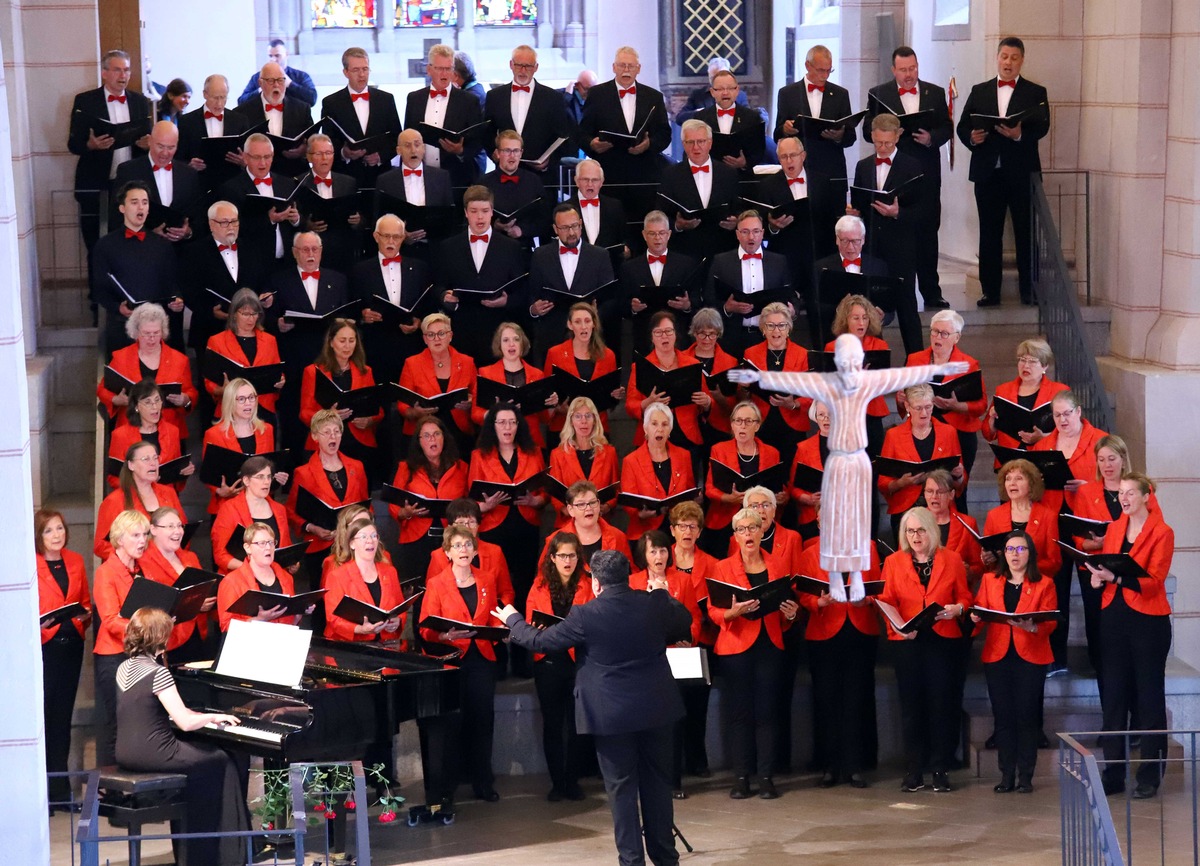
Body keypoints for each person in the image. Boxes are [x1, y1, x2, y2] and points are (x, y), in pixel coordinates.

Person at [728, 333, 968, 602]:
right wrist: (756, 378)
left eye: (856, 359)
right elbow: (791, 379)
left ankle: (855, 578)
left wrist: (941, 369)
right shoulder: (828, 384)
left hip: (860, 460)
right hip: (838, 458)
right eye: (846, 359)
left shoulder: (867, 382)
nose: (851, 364)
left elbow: (904, 376)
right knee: (832, 519)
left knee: (859, 520)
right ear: (839, 362)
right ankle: (834, 578)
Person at [495, 550, 692, 866]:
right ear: (628, 575)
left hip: (611, 715)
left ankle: (631, 861)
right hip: (656, 709)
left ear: (596, 582)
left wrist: (513, 620)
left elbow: (542, 642)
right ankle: (666, 859)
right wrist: (664, 594)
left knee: (622, 790)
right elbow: (684, 621)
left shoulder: (586, 614)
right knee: (658, 784)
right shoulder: (652, 603)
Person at [116, 607, 250, 866]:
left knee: (201, 756)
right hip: (155, 752)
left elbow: (155, 710)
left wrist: (196, 714)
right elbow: (186, 723)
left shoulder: (124, 667)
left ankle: (191, 850)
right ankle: (217, 855)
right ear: (160, 637)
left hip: (126, 751)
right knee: (222, 760)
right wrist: (212, 717)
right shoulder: (158, 672)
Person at [1089, 473, 1174, 799]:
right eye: (1120, 493)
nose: (1123, 498)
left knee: (1149, 698)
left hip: (1148, 622)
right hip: (1114, 618)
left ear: (1145, 496)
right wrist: (1100, 579)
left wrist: (1116, 578)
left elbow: (1154, 581)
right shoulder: (1113, 529)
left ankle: (1150, 774)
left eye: (1129, 493)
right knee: (1113, 699)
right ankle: (1113, 774)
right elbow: (1109, 567)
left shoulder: (1162, 532)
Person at [708, 507, 800, 799]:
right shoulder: (722, 567)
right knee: (739, 714)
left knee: (767, 713)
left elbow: (787, 609)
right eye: (741, 530)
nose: (747, 534)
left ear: (762, 532)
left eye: (752, 528)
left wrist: (792, 614)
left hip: (769, 645)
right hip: (736, 646)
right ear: (734, 536)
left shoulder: (778, 564)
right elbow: (712, 609)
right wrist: (731, 613)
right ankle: (740, 777)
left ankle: (766, 777)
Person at [879, 506, 972, 793]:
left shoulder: (952, 559)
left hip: (943, 641)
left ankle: (940, 768)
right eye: (910, 531)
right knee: (911, 708)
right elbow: (886, 600)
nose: (915, 536)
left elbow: (965, 597)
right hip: (909, 643)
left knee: (942, 705)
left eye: (920, 530)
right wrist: (897, 627)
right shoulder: (894, 562)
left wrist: (958, 609)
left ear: (931, 530)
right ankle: (914, 769)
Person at [955, 37, 1050, 307]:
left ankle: (1029, 291)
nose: (1008, 62)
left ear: (1022, 60)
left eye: (1014, 58)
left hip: (1021, 173)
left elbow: (1043, 126)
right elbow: (963, 126)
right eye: (1004, 56)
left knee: (1025, 232)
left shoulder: (1035, 92)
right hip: (988, 173)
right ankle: (990, 292)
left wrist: (1020, 133)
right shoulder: (980, 90)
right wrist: (972, 138)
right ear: (997, 58)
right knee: (989, 232)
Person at [796, 509, 882, 788]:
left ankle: (855, 765)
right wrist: (815, 603)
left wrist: (866, 600)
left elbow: (879, 587)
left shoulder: (867, 547)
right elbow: (802, 592)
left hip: (859, 629)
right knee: (826, 700)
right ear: (819, 523)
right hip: (823, 631)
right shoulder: (810, 552)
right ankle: (830, 765)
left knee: (857, 699)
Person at [421, 525, 505, 803]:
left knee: (483, 721)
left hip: (482, 658)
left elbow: (492, 617)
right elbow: (425, 629)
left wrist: (500, 630)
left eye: (468, 545)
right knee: (452, 725)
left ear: (475, 549)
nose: (463, 551)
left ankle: (483, 782)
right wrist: (445, 635)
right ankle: (447, 788)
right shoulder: (436, 583)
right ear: (447, 552)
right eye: (457, 546)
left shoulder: (486, 578)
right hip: (452, 660)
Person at [865, 46, 952, 310]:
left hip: (926, 173)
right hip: (893, 173)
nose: (909, 75)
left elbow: (947, 127)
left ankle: (931, 292)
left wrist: (931, 138)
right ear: (893, 70)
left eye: (912, 68)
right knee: (893, 234)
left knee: (927, 233)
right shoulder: (879, 94)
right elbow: (868, 132)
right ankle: (891, 293)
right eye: (903, 70)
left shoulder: (934, 93)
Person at [971, 530, 1057, 794]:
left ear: (1030, 553)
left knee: (1027, 716)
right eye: (1010, 550)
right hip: (998, 655)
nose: (1015, 554)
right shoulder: (990, 580)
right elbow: (981, 610)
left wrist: (1033, 628)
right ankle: (1006, 775)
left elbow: (1051, 621)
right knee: (1003, 717)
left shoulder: (1044, 583)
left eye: (1020, 549)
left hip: (1031, 656)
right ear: (1003, 554)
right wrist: (975, 619)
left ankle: (1026, 776)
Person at [1031, 389, 1108, 674]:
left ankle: (1099, 659)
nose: (1062, 420)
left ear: (1078, 412)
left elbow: (1112, 480)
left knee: (1093, 590)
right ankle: (1056, 657)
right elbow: (1036, 487)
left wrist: (1086, 486)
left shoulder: (1099, 439)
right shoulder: (1045, 444)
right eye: (1056, 415)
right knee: (1055, 589)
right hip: (1054, 520)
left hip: (1088, 522)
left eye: (1066, 413)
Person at [628, 530, 704, 797]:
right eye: (653, 551)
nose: (659, 556)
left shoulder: (681, 580)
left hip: (676, 659)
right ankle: (645, 779)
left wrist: (689, 637)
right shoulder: (633, 582)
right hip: (644, 662)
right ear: (643, 556)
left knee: (673, 722)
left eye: (662, 551)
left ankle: (673, 781)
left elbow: (694, 617)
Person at [68, 49, 151, 276]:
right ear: (104, 73)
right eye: (117, 70)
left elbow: (147, 139)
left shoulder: (141, 102)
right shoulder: (85, 101)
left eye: (126, 70)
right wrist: (91, 145)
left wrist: (146, 145)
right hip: (95, 183)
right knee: (96, 245)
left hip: (130, 184)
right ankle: (97, 300)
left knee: (131, 243)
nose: (123, 75)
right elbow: (73, 144)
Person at [526, 531, 594, 801]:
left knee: (577, 724)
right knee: (553, 724)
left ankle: (572, 780)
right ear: (552, 558)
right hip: (549, 662)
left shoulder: (587, 585)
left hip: (579, 662)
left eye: (573, 555)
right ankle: (557, 782)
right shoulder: (539, 586)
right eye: (563, 555)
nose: (568, 560)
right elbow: (530, 623)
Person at [848, 113, 924, 354]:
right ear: (872, 136)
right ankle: (872, 360)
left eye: (888, 144)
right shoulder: (863, 165)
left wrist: (897, 213)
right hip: (872, 247)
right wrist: (854, 211)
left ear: (898, 137)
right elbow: (862, 202)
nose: (882, 148)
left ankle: (916, 362)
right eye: (878, 143)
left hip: (901, 245)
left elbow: (924, 210)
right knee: (871, 305)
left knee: (906, 305)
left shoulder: (912, 165)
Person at [898, 309, 985, 511]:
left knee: (954, 487)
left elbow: (981, 405)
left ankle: (957, 530)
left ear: (956, 337)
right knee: (924, 487)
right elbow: (903, 395)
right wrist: (902, 400)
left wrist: (957, 406)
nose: (937, 337)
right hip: (922, 429)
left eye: (944, 333)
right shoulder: (914, 359)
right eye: (934, 332)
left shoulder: (968, 364)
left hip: (959, 431)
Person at [756, 136, 839, 344]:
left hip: (819, 257)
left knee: (821, 314)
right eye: (783, 157)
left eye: (792, 155)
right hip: (785, 260)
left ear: (803, 156)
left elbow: (832, 220)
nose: (789, 161)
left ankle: (823, 362)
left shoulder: (822, 181)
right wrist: (773, 227)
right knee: (782, 314)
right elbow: (761, 228)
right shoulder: (767, 186)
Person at [469, 403, 546, 624]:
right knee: (494, 584)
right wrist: (487, 505)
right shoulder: (479, 456)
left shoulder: (533, 452)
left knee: (523, 584)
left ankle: (523, 636)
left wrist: (535, 500)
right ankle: (497, 635)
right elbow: (471, 499)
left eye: (512, 422)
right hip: (494, 527)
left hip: (526, 525)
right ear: (492, 426)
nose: (508, 427)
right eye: (502, 422)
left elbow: (545, 493)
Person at [435, 185, 527, 366]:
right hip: (460, 332)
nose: (480, 217)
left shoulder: (511, 247)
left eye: (485, 211)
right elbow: (437, 285)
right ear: (465, 212)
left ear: (492, 212)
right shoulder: (448, 247)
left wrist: (506, 302)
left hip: (497, 334)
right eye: (474, 211)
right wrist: (444, 296)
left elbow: (522, 292)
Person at [36, 508, 91, 810]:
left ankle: (60, 791)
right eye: (49, 531)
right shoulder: (31, 564)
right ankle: (41, 791)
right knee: (43, 720)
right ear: (38, 536)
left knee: (62, 721)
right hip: (45, 649)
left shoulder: (75, 560)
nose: (57, 535)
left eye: (59, 529)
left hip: (72, 647)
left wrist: (84, 617)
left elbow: (84, 602)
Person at [577, 46, 672, 215]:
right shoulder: (597, 94)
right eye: (622, 65)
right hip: (610, 176)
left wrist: (649, 144)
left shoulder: (654, 97)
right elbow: (582, 133)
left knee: (642, 229)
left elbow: (665, 134)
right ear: (614, 67)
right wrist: (592, 144)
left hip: (644, 177)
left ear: (638, 69)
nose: (626, 70)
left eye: (630, 66)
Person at [1070, 434, 1136, 675]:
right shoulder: (1087, 493)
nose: (1107, 465)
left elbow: (1152, 528)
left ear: (1123, 459)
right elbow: (1078, 540)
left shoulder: (1140, 489)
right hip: (1096, 567)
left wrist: (1116, 538)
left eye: (1112, 459)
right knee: (1097, 621)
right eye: (1101, 460)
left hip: (1128, 566)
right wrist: (1097, 543)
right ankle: (1100, 665)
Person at [91, 183, 184, 351]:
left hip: (156, 328)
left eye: (144, 202)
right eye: (134, 202)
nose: (140, 207)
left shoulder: (162, 245)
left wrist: (176, 299)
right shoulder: (105, 245)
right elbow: (99, 288)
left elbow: (173, 283)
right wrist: (117, 307)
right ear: (122, 208)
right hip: (123, 327)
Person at [93, 509, 151, 766]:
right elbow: (110, 620)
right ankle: (111, 790)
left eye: (145, 535)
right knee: (115, 723)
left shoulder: (140, 571)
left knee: (136, 722)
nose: (142, 541)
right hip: (114, 657)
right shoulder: (106, 572)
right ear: (119, 538)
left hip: (137, 656)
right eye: (135, 535)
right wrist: (148, 630)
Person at [298, 317, 384, 484]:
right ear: (331, 342)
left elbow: (378, 410)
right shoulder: (313, 371)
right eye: (342, 340)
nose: (347, 346)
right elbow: (304, 413)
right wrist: (329, 416)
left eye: (352, 340)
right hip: (325, 441)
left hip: (359, 439)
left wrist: (370, 420)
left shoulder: (365, 371)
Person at [667, 502, 719, 778]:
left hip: (701, 643)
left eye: (693, 526)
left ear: (699, 531)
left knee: (698, 705)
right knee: (672, 705)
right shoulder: (663, 560)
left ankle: (697, 760)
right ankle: (673, 763)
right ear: (672, 530)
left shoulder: (711, 563)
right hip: (669, 647)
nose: (687, 531)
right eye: (682, 526)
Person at [286, 410, 369, 580]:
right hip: (320, 547)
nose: (333, 436)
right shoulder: (304, 473)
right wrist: (312, 528)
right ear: (315, 436)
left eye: (337, 431)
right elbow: (291, 512)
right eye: (327, 432)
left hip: (354, 545)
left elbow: (367, 506)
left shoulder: (357, 467)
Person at [353, 214, 435, 384]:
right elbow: (351, 306)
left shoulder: (420, 268)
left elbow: (429, 306)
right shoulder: (360, 270)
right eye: (386, 236)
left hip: (410, 348)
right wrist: (363, 315)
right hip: (376, 349)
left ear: (403, 238)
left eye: (396, 237)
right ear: (376, 237)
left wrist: (419, 322)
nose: (391, 241)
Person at [97, 302, 196, 442]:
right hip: (131, 431)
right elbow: (102, 389)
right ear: (136, 333)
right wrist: (116, 400)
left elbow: (190, 394)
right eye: (146, 334)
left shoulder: (180, 360)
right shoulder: (121, 357)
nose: (152, 338)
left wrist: (185, 400)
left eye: (156, 333)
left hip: (168, 433)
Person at [182, 203, 272, 356]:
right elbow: (189, 290)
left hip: (249, 331)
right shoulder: (194, 252)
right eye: (224, 222)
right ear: (211, 224)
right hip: (210, 330)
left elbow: (263, 281)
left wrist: (265, 295)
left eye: (234, 221)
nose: (231, 226)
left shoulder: (252, 249)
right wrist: (210, 311)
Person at [877, 383, 965, 538]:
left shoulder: (948, 432)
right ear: (907, 406)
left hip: (941, 507)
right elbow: (883, 483)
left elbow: (960, 484)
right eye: (918, 408)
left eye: (928, 407)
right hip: (907, 507)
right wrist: (902, 483)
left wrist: (959, 475)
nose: (924, 413)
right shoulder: (894, 435)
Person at [528, 203, 616, 356]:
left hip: (588, 337)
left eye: (575, 226)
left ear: (581, 224)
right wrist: (534, 310)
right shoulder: (540, 255)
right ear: (555, 229)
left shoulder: (600, 255)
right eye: (564, 228)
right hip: (551, 336)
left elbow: (610, 298)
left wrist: (595, 314)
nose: (571, 232)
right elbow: (531, 293)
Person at [387, 416, 468, 580]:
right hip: (417, 538)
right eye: (427, 435)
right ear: (419, 442)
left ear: (444, 438)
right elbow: (393, 505)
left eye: (437, 434)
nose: (432, 439)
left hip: (453, 537)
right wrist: (406, 512)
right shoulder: (406, 468)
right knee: (421, 587)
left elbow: (469, 501)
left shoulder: (460, 467)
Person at [704, 210, 794, 356]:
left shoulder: (779, 262)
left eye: (756, 231)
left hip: (769, 338)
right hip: (731, 338)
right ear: (737, 234)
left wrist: (791, 311)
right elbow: (708, 300)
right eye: (745, 232)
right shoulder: (721, 261)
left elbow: (791, 296)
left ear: (763, 233)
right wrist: (727, 308)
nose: (751, 237)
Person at [485, 45, 577, 181]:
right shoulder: (495, 96)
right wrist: (494, 153)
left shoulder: (553, 98)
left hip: (541, 178)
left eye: (528, 66)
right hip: (504, 175)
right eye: (518, 65)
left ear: (536, 67)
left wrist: (549, 162)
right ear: (511, 65)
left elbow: (563, 136)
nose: (522, 71)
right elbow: (486, 132)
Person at [625, 310, 711, 451]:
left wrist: (706, 402)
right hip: (652, 434)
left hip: (686, 433)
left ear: (675, 335)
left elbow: (706, 403)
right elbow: (630, 406)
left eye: (668, 331)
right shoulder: (640, 367)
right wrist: (648, 403)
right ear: (652, 338)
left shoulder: (692, 364)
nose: (664, 336)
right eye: (658, 332)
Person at [739, 302, 811, 468]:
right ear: (763, 329)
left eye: (781, 326)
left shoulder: (803, 354)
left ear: (789, 328)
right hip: (761, 424)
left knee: (792, 476)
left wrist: (794, 404)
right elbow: (743, 396)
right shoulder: (751, 353)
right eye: (770, 326)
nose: (776, 331)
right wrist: (744, 387)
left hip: (792, 425)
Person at [703, 401, 781, 554]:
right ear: (732, 425)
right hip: (725, 518)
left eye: (748, 421)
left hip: (759, 520)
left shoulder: (772, 453)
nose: (742, 425)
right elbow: (709, 489)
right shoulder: (719, 450)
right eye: (738, 421)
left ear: (757, 426)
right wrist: (728, 497)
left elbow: (776, 485)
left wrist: (780, 495)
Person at [404, 44, 485, 189]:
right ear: (429, 69)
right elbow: (406, 136)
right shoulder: (414, 99)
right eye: (439, 68)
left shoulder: (469, 101)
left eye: (448, 69)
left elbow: (478, 143)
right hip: (421, 178)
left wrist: (460, 151)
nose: (444, 74)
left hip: (456, 179)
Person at [656, 119, 739, 260]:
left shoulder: (728, 173)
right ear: (683, 144)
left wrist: (736, 222)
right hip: (685, 252)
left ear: (710, 143)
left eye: (701, 141)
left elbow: (739, 208)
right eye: (690, 142)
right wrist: (677, 225)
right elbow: (661, 214)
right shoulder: (669, 174)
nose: (696, 147)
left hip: (722, 250)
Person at [773, 45, 856, 184]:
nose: (825, 75)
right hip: (801, 171)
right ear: (807, 65)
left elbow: (851, 137)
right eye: (821, 70)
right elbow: (777, 135)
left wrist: (839, 136)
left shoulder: (840, 94)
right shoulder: (787, 94)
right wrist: (785, 130)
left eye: (829, 70)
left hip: (832, 171)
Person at [216, 132, 301, 266]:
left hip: (287, 264)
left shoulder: (287, 184)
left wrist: (295, 219)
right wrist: (269, 220)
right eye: (256, 157)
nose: (263, 163)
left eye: (267, 157)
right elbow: (232, 230)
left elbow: (299, 226)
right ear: (245, 157)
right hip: (253, 264)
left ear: (273, 157)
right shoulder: (231, 189)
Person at [622, 210, 700, 356]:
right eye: (652, 234)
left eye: (662, 233)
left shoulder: (687, 264)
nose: (657, 238)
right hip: (644, 340)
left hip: (678, 339)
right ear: (644, 235)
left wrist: (687, 305)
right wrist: (632, 307)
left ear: (669, 234)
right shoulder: (629, 268)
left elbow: (697, 299)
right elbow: (621, 303)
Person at [321, 47, 401, 188]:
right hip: (346, 178)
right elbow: (328, 140)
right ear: (345, 72)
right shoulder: (331, 103)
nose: (362, 75)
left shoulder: (386, 99)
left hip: (381, 177)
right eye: (356, 70)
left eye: (365, 69)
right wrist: (344, 153)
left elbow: (396, 137)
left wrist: (380, 156)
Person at [203, 288, 285, 423]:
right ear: (234, 314)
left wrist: (280, 380)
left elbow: (276, 370)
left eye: (255, 314)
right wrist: (222, 390)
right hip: (232, 409)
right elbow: (209, 382)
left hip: (263, 408)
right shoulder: (216, 341)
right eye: (246, 314)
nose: (251, 319)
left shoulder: (270, 340)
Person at [395, 312, 477, 448]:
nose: (436, 339)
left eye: (441, 333)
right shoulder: (412, 363)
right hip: (423, 431)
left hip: (458, 430)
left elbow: (478, 396)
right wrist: (416, 412)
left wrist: (470, 403)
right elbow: (402, 406)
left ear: (450, 336)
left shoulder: (467, 362)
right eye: (431, 335)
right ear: (425, 339)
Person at [112, 120, 202, 244]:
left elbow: (198, 215)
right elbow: (116, 217)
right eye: (160, 146)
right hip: (141, 252)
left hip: (180, 255)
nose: (165, 153)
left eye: (171, 147)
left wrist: (188, 231)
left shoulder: (189, 174)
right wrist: (147, 234)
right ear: (149, 141)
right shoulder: (128, 171)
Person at [200, 378, 281, 514]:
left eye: (251, 397)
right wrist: (220, 490)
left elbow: (270, 466)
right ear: (230, 402)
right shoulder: (214, 434)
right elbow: (209, 474)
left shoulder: (266, 430)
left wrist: (276, 478)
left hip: (260, 505)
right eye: (241, 399)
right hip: (229, 506)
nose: (248, 403)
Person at [543, 302, 624, 436]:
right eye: (578, 322)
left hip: (596, 428)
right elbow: (547, 394)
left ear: (594, 324)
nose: (583, 326)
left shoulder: (608, 355)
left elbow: (611, 399)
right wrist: (558, 408)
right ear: (570, 325)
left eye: (587, 321)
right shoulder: (555, 353)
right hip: (564, 427)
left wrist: (616, 395)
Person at [95, 441, 186, 560]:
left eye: (155, 458)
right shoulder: (115, 501)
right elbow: (100, 546)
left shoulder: (169, 493)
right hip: (134, 568)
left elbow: (183, 529)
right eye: (145, 459)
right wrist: (134, 556)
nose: (153, 463)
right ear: (131, 465)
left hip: (168, 564)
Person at [217, 522, 315, 631]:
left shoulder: (286, 577)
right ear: (248, 548)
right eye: (262, 543)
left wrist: (298, 612)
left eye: (271, 542)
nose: (268, 547)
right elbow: (226, 625)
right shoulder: (231, 581)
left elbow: (291, 623)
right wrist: (259, 620)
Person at [474, 322, 557, 450]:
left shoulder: (537, 374)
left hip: (531, 443)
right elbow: (475, 413)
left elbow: (544, 418)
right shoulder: (485, 373)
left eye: (516, 339)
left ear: (522, 343)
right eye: (506, 340)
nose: (511, 344)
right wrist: (494, 412)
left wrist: (552, 404)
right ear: (499, 345)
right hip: (498, 443)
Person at [324, 512, 406, 642]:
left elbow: (401, 608)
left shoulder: (390, 572)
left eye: (374, 536)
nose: (370, 540)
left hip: (385, 645)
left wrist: (398, 621)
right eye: (363, 537)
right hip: (350, 648)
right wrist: (359, 629)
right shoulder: (337, 576)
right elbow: (332, 618)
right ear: (352, 544)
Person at [827, 294, 891, 457]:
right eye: (856, 318)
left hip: (872, 412)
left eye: (865, 317)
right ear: (845, 320)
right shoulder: (832, 348)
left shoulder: (879, 346)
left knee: (874, 462)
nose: (861, 323)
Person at [620, 403, 696, 541]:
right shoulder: (631, 461)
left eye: (665, 424)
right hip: (645, 531)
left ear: (670, 429)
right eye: (654, 424)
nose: (660, 429)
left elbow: (689, 490)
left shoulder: (683, 455)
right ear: (645, 428)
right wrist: (640, 514)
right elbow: (628, 503)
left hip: (679, 529)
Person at [811, 214, 889, 347]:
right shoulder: (820, 267)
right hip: (834, 340)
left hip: (871, 342)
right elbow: (814, 306)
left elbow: (889, 306)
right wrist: (840, 310)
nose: (850, 247)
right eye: (845, 241)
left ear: (863, 239)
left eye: (855, 241)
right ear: (837, 239)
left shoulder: (878, 266)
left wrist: (881, 317)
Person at [981, 337, 1069, 453]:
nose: (1026, 366)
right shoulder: (1003, 391)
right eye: (1022, 360)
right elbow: (988, 434)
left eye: (1032, 361)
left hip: (1044, 455)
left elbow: (1070, 429)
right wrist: (992, 420)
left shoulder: (1059, 391)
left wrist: (1044, 437)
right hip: (1010, 458)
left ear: (1044, 366)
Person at [211, 455, 293, 574]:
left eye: (269, 477)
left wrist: (292, 563)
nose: (266, 482)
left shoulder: (279, 509)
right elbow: (220, 555)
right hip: (241, 580)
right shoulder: (229, 509)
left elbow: (286, 546)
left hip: (274, 577)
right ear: (246, 480)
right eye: (260, 477)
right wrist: (254, 570)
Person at [232, 61, 315, 177]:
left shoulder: (302, 109)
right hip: (255, 178)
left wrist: (303, 151)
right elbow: (238, 147)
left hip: (294, 176)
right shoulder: (242, 112)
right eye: (271, 81)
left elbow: (312, 139)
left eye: (280, 80)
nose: (276, 85)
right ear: (261, 83)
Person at [983, 459, 1062, 581]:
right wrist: (987, 558)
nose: (1012, 483)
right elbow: (989, 562)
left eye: (1019, 478)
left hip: (1035, 584)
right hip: (1002, 584)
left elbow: (1054, 561)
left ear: (1031, 484)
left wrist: (1024, 568)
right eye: (1008, 479)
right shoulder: (994, 515)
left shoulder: (1048, 516)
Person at [105, 379, 191, 490]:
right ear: (136, 407)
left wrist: (184, 472)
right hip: (135, 501)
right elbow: (114, 478)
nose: (155, 407)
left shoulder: (172, 431)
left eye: (157, 400)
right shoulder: (120, 435)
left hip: (165, 498)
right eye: (148, 402)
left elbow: (176, 475)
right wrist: (140, 486)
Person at [296, 133, 362, 275]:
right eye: (319, 154)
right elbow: (294, 219)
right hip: (311, 253)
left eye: (328, 153)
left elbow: (362, 218)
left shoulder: (349, 182)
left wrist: (357, 220)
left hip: (343, 253)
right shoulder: (298, 183)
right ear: (308, 156)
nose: (325, 158)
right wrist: (306, 225)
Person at [547, 397, 619, 526]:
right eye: (578, 416)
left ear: (595, 420)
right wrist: (567, 510)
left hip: (601, 522)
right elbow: (555, 493)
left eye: (588, 416)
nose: (583, 421)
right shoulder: (557, 454)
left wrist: (607, 506)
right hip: (569, 524)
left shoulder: (609, 452)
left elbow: (616, 488)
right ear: (571, 421)